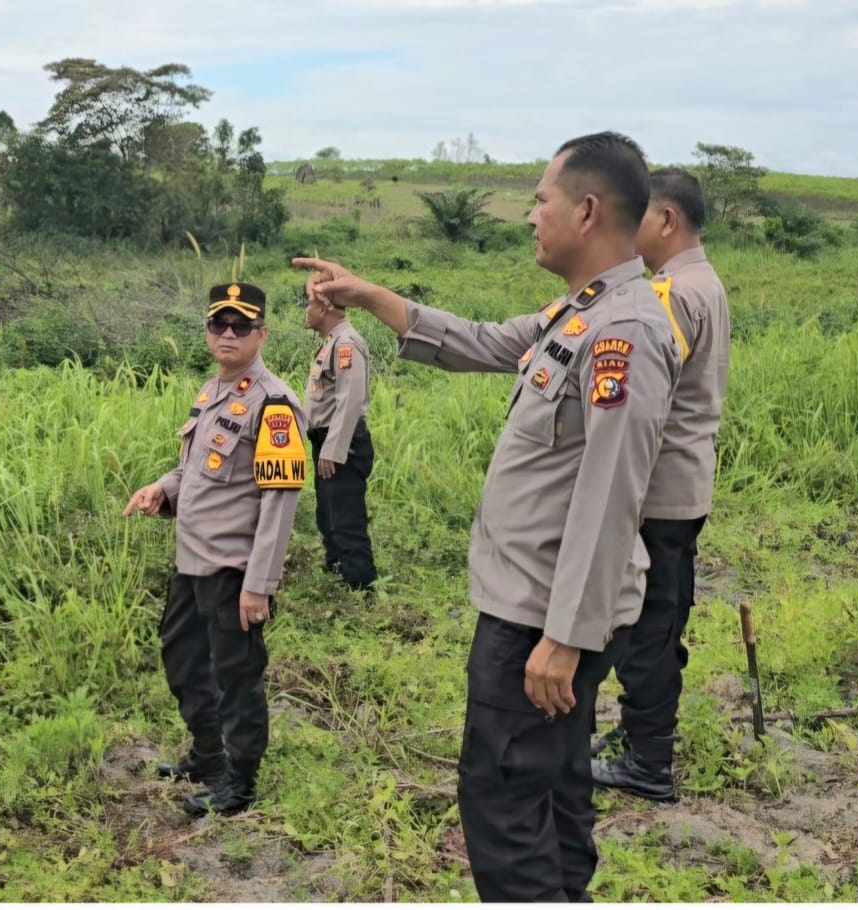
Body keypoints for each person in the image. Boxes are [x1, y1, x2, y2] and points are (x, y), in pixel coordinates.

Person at [293, 132, 680, 902]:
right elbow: (476, 340)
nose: (530, 215)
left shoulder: (624, 333)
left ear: (587, 209)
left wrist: (563, 640)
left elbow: (609, 500)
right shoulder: (581, 312)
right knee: (556, 787)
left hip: (542, 621)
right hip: (537, 609)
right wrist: (368, 294)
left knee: (503, 796)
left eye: (541, 199)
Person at [124, 282, 308, 818]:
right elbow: (195, 472)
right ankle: (208, 755)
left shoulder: (273, 405)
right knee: (183, 661)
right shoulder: (211, 392)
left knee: (236, 676)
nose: (228, 334)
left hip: (234, 571)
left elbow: (280, 502)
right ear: (207, 331)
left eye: (241, 326)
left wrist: (260, 584)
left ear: (262, 334)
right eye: (219, 325)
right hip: (192, 562)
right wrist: (163, 488)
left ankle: (239, 783)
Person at [591, 168, 731, 801]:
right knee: (663, 617)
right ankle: (643, 738)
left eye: (641, 215)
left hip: (660, 490)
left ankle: (648, 762)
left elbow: (646, 395)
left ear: (666, 220)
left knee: (646, 625)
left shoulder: (671, 294)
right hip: (685, 487)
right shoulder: (706, 282)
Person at [302, 289, 378, 592]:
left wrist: (333, 450)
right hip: (327, 440)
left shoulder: (346, 343)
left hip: (342, 443)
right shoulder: (332, 342)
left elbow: (350, 400)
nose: (306, 310)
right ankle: (337, 571)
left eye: (310, 304)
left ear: (325, 308)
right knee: (328, 513)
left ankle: (361, 586)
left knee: (346, 517)